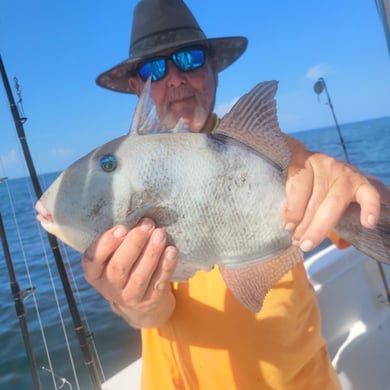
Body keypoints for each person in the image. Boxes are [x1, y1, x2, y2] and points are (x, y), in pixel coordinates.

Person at [84, 0, 389, 388]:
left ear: (213, 67)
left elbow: (355, 196)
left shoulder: (271, 150)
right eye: (154, 69)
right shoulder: (122, 179)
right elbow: (155, 314)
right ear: (137, 87)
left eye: (189, 58)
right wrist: (136, 302)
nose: (174, 77)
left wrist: (356, 186)